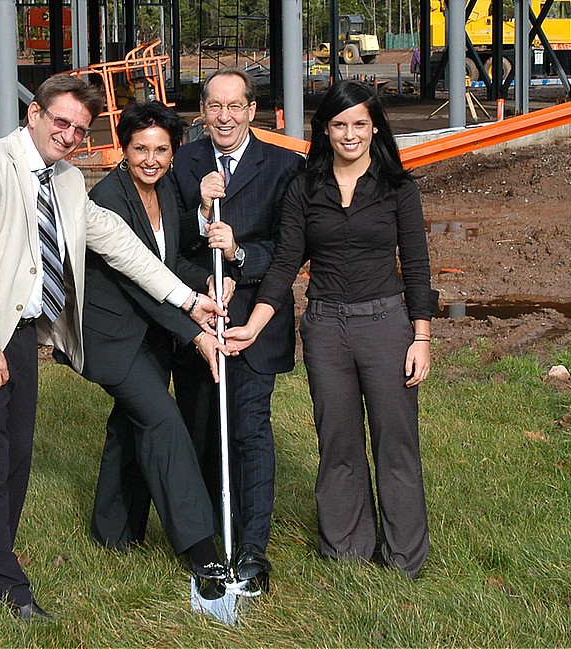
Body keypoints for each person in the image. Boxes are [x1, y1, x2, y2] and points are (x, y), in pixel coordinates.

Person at [0, 75, 227, 621]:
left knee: (13, 459)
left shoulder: (64, 180)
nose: (69, 135)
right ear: (33, 114)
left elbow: (117, 242)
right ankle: (4, 584)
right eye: (61, 121)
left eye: (80, 130)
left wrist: (186, 299)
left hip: (22, 336)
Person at [225, 80, 439, 579]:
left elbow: (419, 266)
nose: (350, 134)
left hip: (387, 324)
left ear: (374, 128)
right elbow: (282, 266)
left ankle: (405, 556)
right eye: (339, 124)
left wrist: (422, 338)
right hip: (324, 329)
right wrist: (254, 326)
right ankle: (347, 550)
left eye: (360, 124)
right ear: (325, 129)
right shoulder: (304, 188)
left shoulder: (398, 189)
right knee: (338, 440)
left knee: (395, 439)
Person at [79, 101, 235, 582]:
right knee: (163, 421)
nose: (151, 159)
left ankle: (114, 532)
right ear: (122, 149)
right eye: (140, 149)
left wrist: (205, 283)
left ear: (174, 152)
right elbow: (138, 282)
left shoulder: (165, 187)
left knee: (131, 428)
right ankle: (200, 547)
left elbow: (166, 259)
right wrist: (194, 329)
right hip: (113, 339)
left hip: (151, 335)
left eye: (161, 150)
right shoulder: (108, 198)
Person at [172, 67, 302, 590]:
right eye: (214, 107)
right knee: (203, 429)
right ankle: (209, 543)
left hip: (255, 321)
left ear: (253, 111)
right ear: (202, 113)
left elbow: (290, 247)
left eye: (235, 106)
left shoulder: (284, 167)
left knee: (249, 429)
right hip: (201, 318)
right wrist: (203, 216)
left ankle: (251, 549)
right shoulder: (183, 163)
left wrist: (239, 253)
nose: (224, 117)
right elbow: (171, 244)